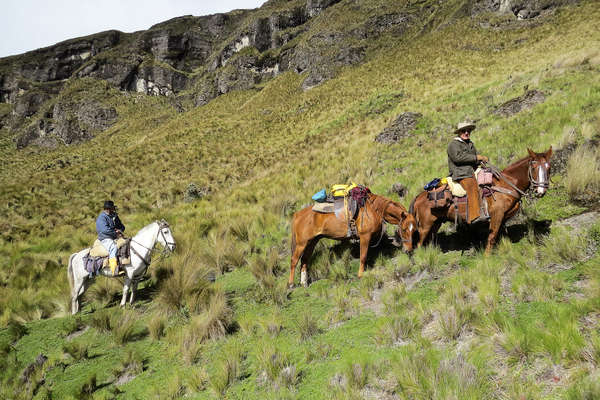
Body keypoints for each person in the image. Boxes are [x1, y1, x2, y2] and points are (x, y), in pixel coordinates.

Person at [447, 122, 489, 224]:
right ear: (459, 132)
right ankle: (474, 216)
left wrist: (481, 161)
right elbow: (458, 158)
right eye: (463, 131)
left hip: (471, 171)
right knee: (471, 186)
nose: (466, 133)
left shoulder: (470, 144)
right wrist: (476, 157)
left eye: (468, 131)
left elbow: (473, 159)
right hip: (461, 173)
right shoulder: (453, 144)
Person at [96, 200, 125, 275]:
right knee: (113, 248)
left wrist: (120, 230)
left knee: (126, 244)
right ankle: (114, 269)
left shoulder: (114, 215)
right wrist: (116, 233)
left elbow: (121, 226)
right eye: (112, 208)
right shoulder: (101, 218)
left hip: (115, 236)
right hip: (105, 238)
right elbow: (104, 230)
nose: (114, 209)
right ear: (108, 209)